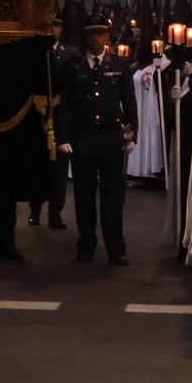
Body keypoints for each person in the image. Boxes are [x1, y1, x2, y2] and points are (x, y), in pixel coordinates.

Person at [54, 14, 138, 265]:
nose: (95, 38)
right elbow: (66, 104)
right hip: (84, 136)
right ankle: (86, 245)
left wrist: (131, 134)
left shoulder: (120, 65)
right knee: (84, 196)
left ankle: (116, 248)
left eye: (100, 33)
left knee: (113, 198)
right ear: (84, 36)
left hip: (111, 137)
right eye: (91, 33)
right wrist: (63, 136)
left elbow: (129, 104)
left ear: (107, 36)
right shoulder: (74, 66)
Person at [28, 16, 71, 229]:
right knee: (36, 166)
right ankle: (34, 210)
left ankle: (55, 213)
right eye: (48, 24)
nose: (52, 28)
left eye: (55, 24)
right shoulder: (33, 52)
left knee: (60, 171)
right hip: (38, 117)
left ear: (60, 28)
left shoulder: (70, 54)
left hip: (61, 118)